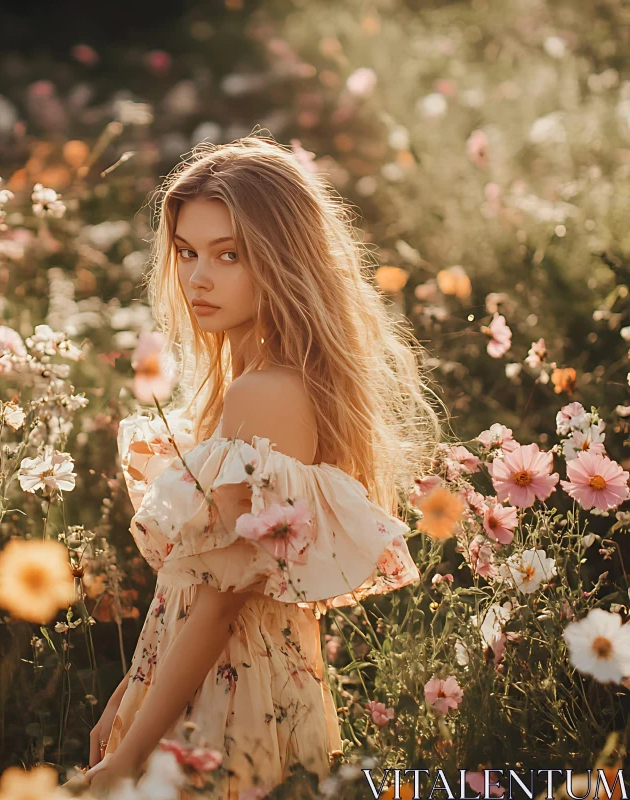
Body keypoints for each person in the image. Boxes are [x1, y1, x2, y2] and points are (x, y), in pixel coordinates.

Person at [83, 135, 442, 799]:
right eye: (187, 252)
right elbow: (193, 598)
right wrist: (126, 696)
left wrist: (125, 761)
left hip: (232, 701)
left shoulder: (266, 392)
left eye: (229, 255)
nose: (198, 277)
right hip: (212, 683)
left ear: (280, 260)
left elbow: (220, 607)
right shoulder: (253, 380)